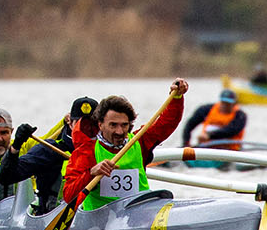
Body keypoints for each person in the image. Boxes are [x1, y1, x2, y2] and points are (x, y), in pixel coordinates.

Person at [61, 79, 189, 209]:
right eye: (113, 125)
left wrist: (177, 97)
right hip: (100, 222)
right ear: (100, 125)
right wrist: (92, 173)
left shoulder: (139, 141)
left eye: (124, 125)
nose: (119, 131)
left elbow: (167, 123)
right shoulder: (86, 151)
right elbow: (68, 196)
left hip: (141, 213)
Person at [15, 96, 94, 214]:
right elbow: (9, 173)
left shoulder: (107, 152)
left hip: (92, 216)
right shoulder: (51, 150)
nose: (84, 129)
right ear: (70, 124)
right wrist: (15, 146)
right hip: (52, 218)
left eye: (91, 124)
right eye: (79, 124)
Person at [182, 87, 247, 149]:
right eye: (223, 103)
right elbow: (189, 126)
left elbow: (230, 131)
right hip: (207, 147)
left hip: (230, 150)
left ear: (234, 104)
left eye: (228, 104)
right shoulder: (205, 110)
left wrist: (209, 135)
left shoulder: (240, 115)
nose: (225, 106)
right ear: (220, 101)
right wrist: (186, 143)